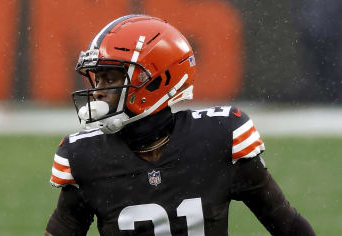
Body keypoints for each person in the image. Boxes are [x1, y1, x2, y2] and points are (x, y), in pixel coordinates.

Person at [45, 15, 315, 236]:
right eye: (98, 80)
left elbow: (288, 225)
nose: (98, 92)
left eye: (111, 79)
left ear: (155, 82)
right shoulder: (86, 156)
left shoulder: (219, 139)